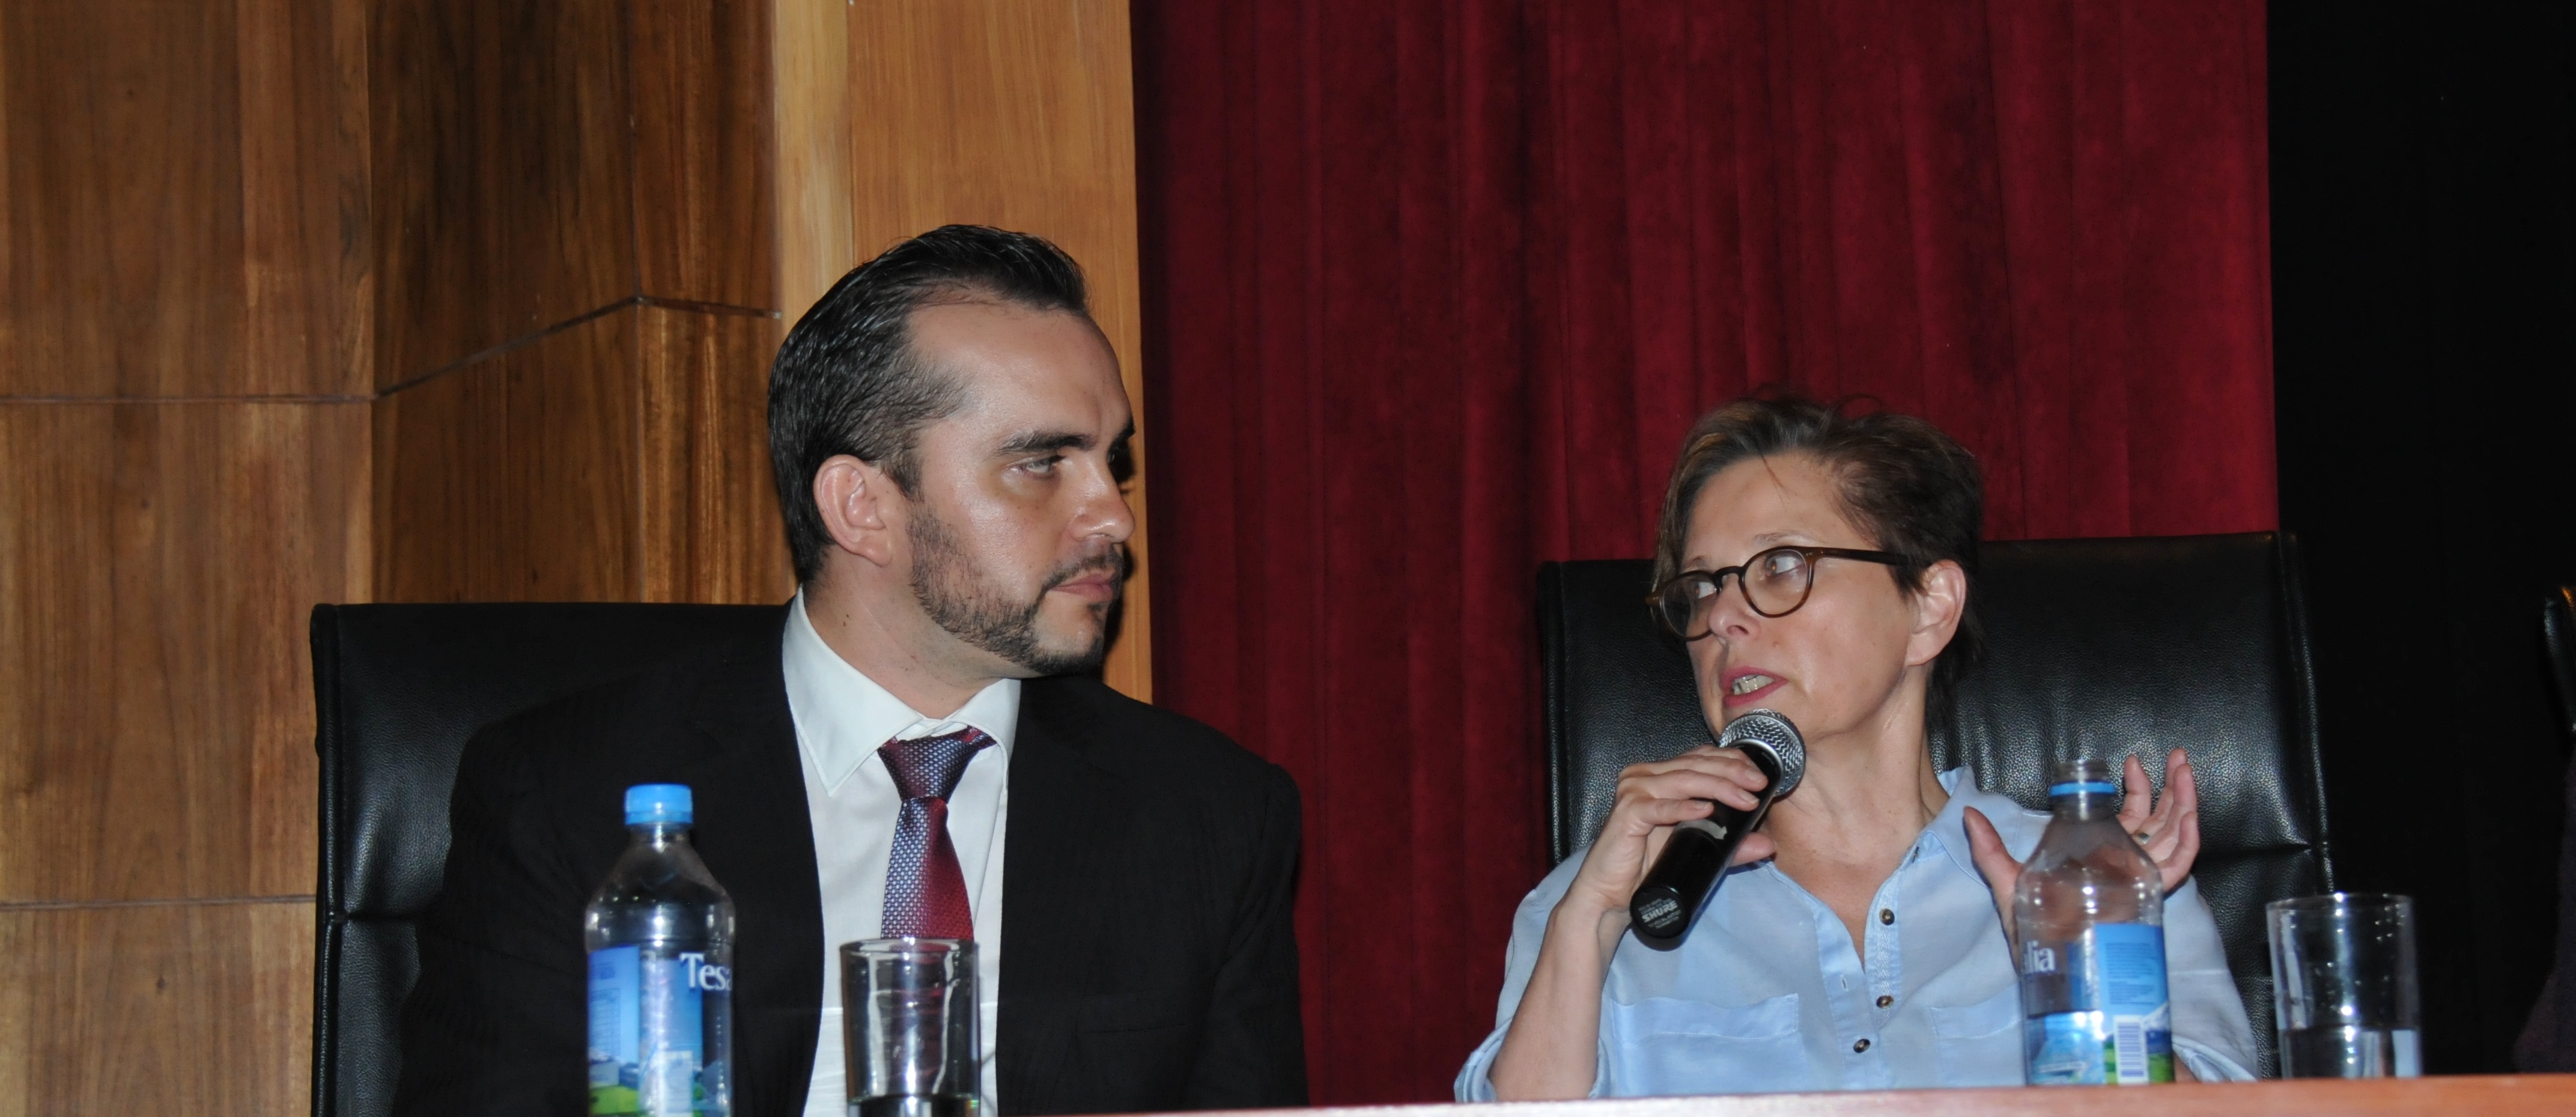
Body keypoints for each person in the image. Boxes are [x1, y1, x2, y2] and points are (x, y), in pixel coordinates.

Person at [395, 225, 1308, 1116]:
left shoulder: (1209, 816)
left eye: (1112, 462)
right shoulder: (568, 793)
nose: (1113, 516)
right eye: (1041, 464)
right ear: (862, 505)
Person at [1456, 396, 2258, 1098]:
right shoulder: (1604, 896)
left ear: (1928, 609)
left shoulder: (2099, 884)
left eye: (1780, 566)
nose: (1725, 619)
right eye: (1701, 587)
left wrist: (2077, 982)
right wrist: (1590, 928)